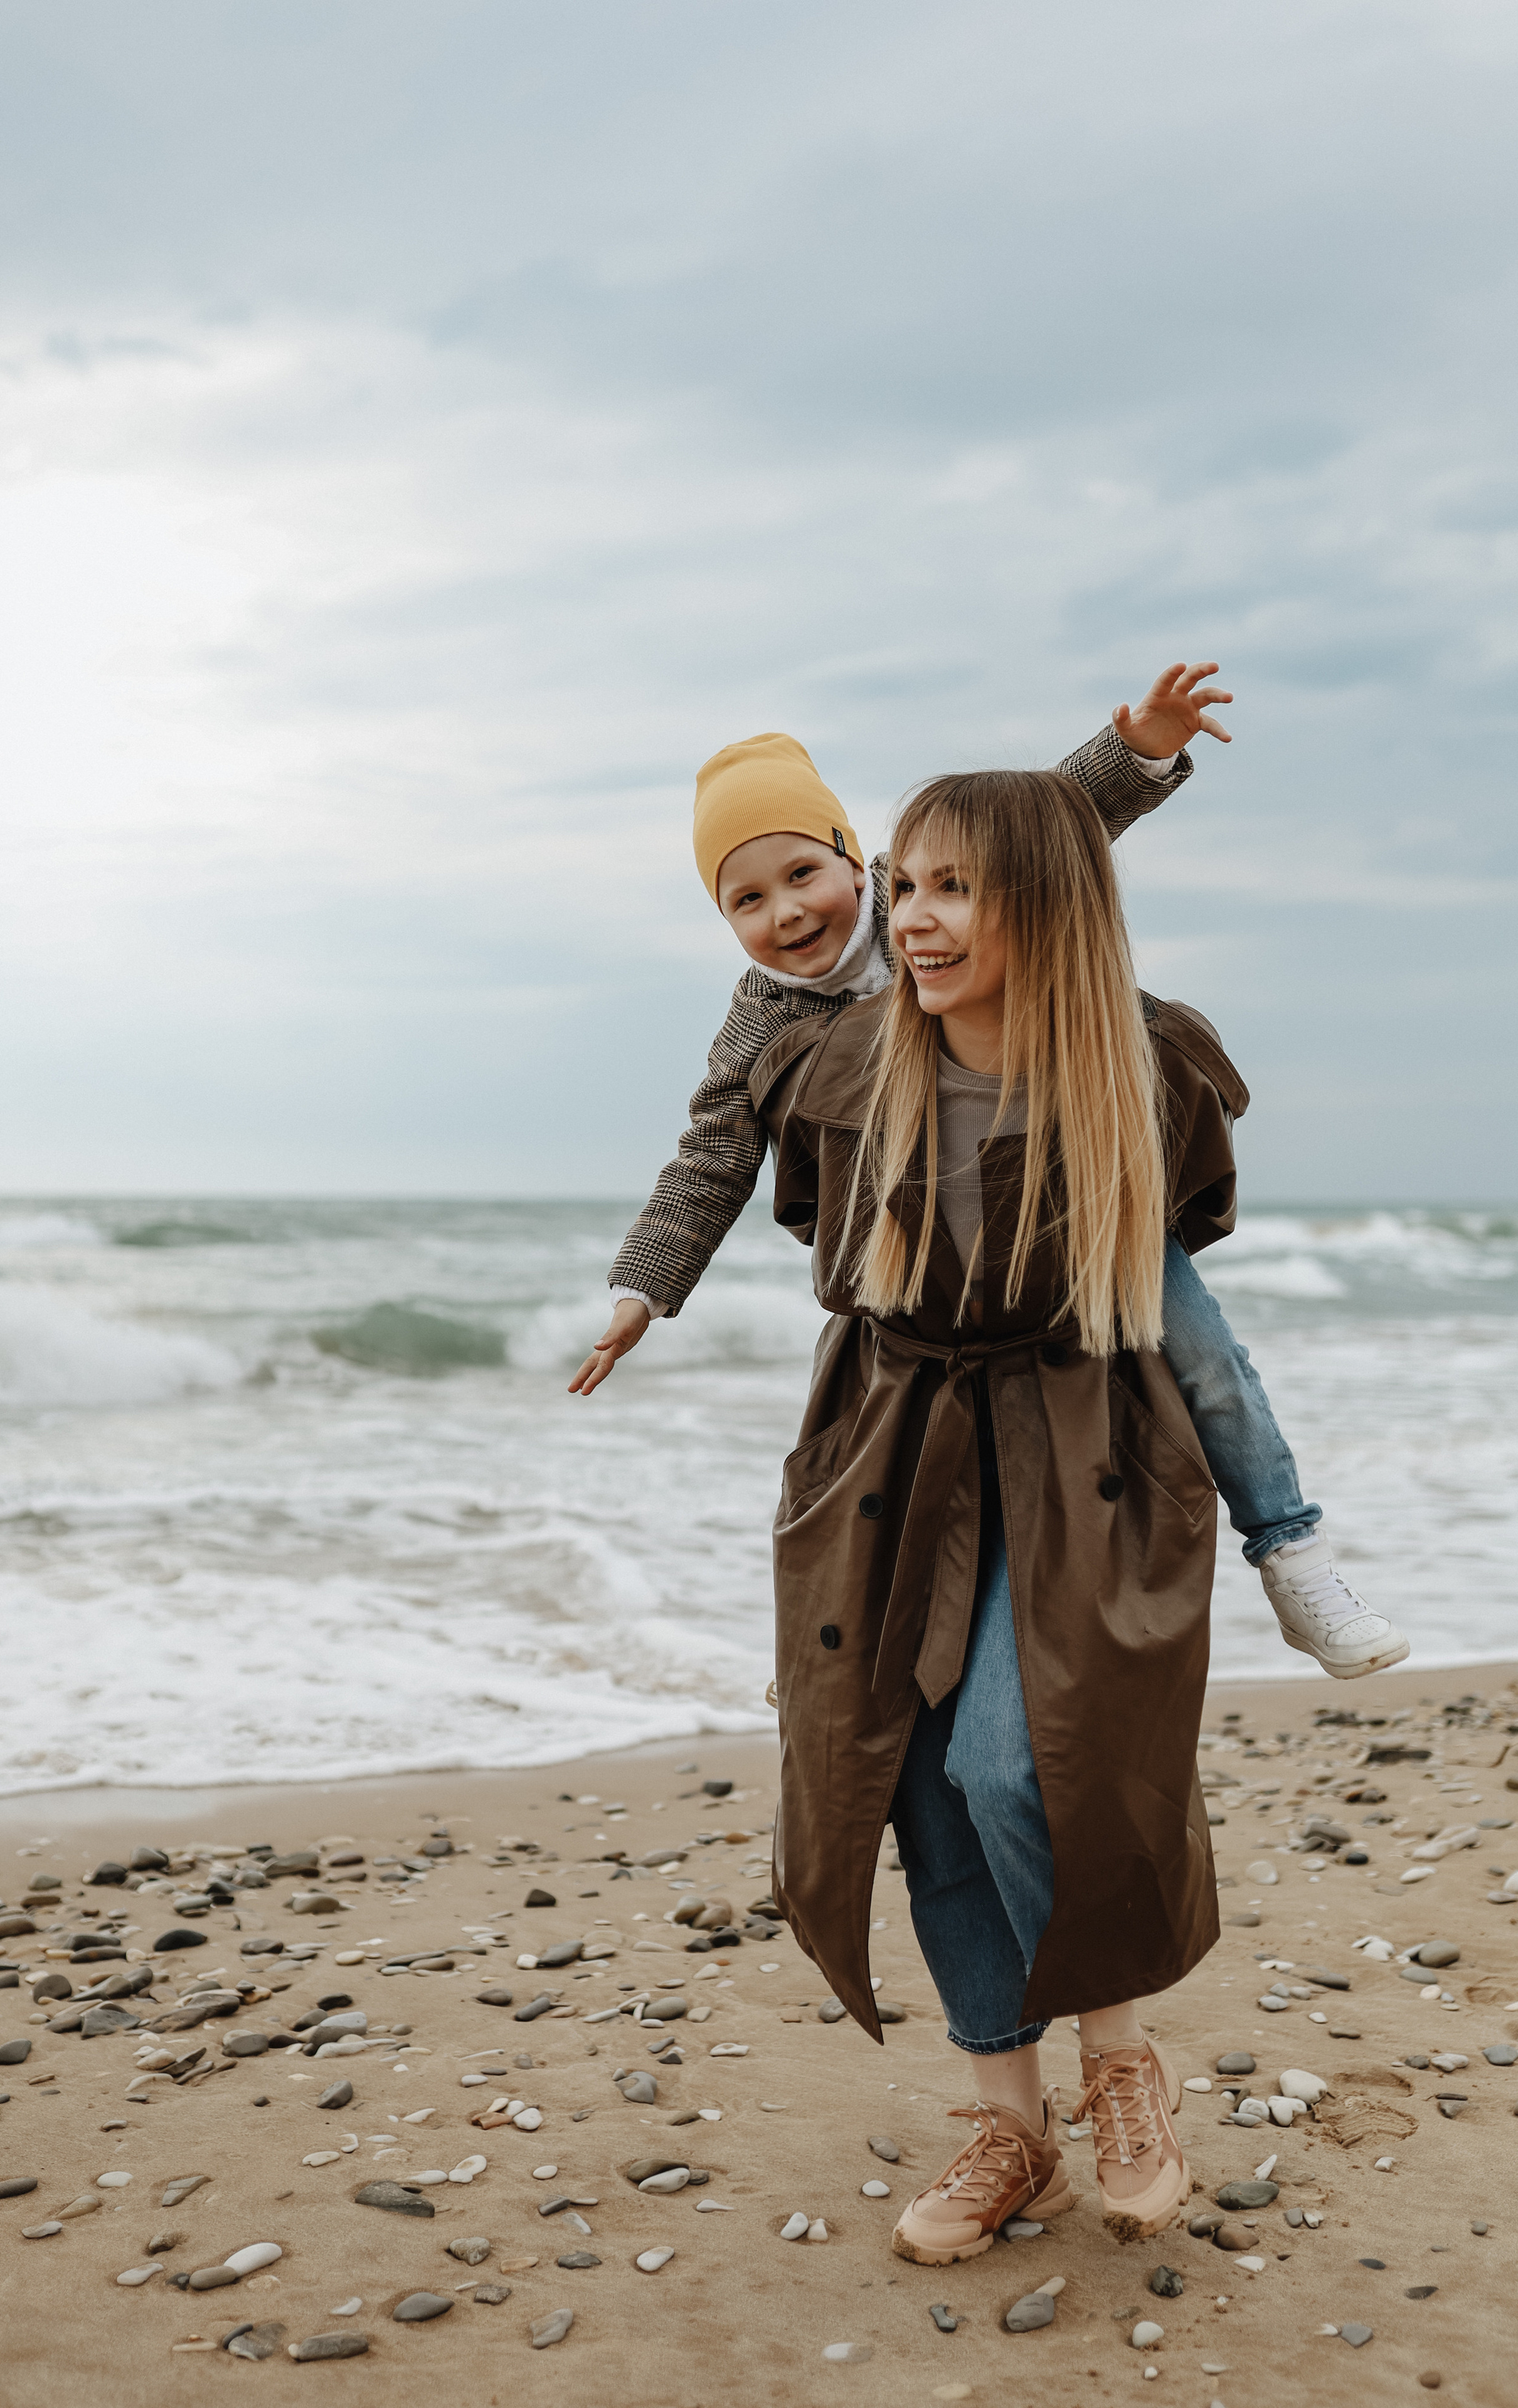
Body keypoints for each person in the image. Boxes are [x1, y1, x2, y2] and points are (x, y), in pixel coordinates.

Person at [570, 664, 1407, 1679]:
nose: (785, 913)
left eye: (801, 874)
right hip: (931, 1243)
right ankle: (842, 1659)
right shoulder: (766, 1017)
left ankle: (1292, 1552)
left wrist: (1141, 747)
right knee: (871, 1443)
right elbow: (712, 1155)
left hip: (1072, 1188)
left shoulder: (928, 884)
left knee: (1204, 1356)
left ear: (852, 857)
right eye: (745, 899)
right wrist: (643, 1290)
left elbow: (1059, 818)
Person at [736, 763, 1264, 2259]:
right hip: (887, 1451)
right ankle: (1006, 2131)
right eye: (900, 886)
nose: (908, 917)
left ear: (1041, 898)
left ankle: (1117, 2061)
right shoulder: (833, 1068)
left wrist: (1131, 752)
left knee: (1018, 1766)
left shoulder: (1140, 1066)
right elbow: (771, 1195)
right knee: (902, 1780)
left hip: (1075, 1440)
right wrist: (644, 1286)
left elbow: (1189, 1252)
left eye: (950, 887)